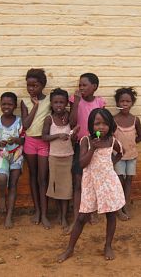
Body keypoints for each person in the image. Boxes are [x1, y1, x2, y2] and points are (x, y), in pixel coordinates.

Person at [58, 108, 125, 263]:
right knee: (81, 218)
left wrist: (111, 164)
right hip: (91, 184)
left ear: (110, 125)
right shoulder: (86, 141)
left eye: (105, 124)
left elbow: (121, 152)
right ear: (91, 125)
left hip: (108, 183)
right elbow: (81, 163)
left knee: (111, 215)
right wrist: (92, 149)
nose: (101, 127)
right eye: (97, 123)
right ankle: (69, 249)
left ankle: (108, 246)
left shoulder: (112, 141)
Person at [69, 73, 106, 229]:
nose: (81, 88)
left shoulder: (100, 102)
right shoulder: (74, 100)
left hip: (95, 145)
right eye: (80, 85)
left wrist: (99, 140)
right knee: (78, 181)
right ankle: (77, 216)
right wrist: (76, 103)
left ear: (94, 87)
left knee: (94, 181)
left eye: (85, 85)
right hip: (80, 145)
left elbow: (103, 124)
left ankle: (91, 212)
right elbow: (72, 123)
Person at [42, 88, 79, 230]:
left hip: (68, 157)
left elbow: (73, 136)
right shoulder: (49, 119)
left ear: (66, 104)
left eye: (62, 102)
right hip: (54, 158)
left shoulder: (69, 117)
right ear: (51, 104)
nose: (59, 105)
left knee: (66, 188)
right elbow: (44, 137)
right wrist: (58, 136)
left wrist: (74, 134)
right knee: (57, 188)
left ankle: (64, 216)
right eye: (56, 102)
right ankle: (59, 213)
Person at [0, 92, 24, 228]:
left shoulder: (19, 121)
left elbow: (24, 139)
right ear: (0, 105)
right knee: (2, 178)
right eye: (4, 104)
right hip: (2, 155)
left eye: (9, 104)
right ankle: (2, 196)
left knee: (13, 184)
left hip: (17, 155)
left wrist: (16, 140)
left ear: (15, 106)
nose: (6, 106)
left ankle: (9, 215)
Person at [21, 68, 51, 228]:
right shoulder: (25, 102)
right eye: (29, 86)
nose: (31, 89)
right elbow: (25, 125)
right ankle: (37, 211)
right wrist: (35, 106)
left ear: (43, 85)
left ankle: (45, 214)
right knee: (33, 176)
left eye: (35, 85)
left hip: (44, 143)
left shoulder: (50, 100)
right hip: (30, 142)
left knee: (43, 178)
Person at [113, 87, 141, 220]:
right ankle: (119, 208)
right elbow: (109, 138)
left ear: (132, 103)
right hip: (118, 157)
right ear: (117, 103)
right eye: (122, 101)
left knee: (129, 180)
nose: (125, 104)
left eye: (128, 101)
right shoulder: (113, 120)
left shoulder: (135, 120)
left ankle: (125, 205)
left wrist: (131, 143)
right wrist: (118, 148)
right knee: (119, 181)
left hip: (132, 156)